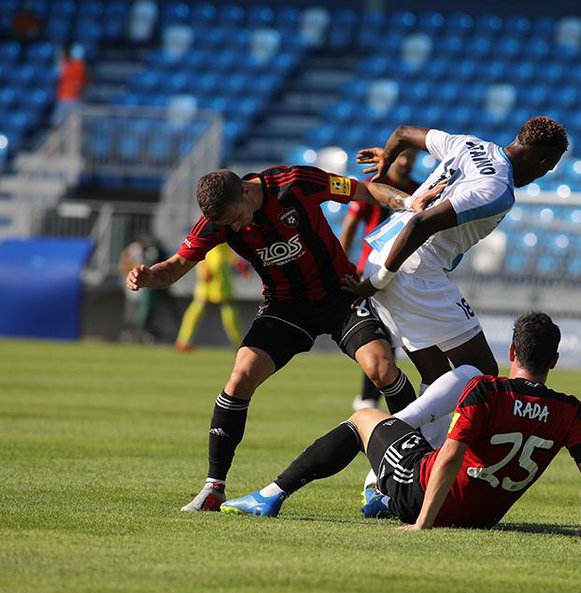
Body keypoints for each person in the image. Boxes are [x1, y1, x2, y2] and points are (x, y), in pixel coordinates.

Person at [126, 165, 443, 512]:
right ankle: (213, 488)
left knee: (382, 369)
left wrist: (409, 202)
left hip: (341, 297)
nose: (236, 228)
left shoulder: (294, 183)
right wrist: (147, 276)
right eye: (229, 224)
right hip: (286, 306)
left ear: (246, 192)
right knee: (241, 375)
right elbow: (174, 267)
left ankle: (412, 470)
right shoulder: (219, 220)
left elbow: (363, 190)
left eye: (237, 218)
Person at [221, 312, 581, 537]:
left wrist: (423, 522)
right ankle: (381, 491)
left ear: (511, 352)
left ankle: (270, 495)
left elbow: (451, 456)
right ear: (554, 360)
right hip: (484, 515)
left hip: (423, 497)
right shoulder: (572, 411)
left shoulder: (487, 391)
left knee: (364, 419)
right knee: (415, 433)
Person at [342, 117, 569, 390]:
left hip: (383, 255)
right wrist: (377, 281)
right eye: (548, 167)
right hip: (413, 267)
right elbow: (421, 223)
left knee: (436, 377)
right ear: (543, 162)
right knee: (481, 375)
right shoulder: (497, 189)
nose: (543, 174)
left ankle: (415, 432)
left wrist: (387, 158)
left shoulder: (469, 143)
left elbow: (402, 133)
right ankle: (404, 427)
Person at [339, 147, 420, 410]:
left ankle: (375, 399)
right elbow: (350, 226)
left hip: (403, 272)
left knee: (394, 336)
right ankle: (369, 399)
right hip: (371, 270)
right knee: (380, 334)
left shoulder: (417, 190)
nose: (406, 161)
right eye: (402, 156)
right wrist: (341, 263)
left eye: (411, 157)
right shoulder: (375, 187)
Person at [174, 243, 245, 351]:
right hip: (215, 264)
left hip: (215, 262)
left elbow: (223, 246)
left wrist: (235, 261)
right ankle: (239, 344)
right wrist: (204, 266)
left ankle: (183, 340)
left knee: (201, 304)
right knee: (223, 303)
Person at [118, 233, 168, 343]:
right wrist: (134, 269)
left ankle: (142, 332)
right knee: (131, 310)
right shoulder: (133, 250)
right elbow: (124, 265)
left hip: (143, 285)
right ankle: (130, 333)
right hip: (131, 282)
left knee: (143, 310)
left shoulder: (149, 251)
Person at [53, 44, 88, 126]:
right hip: (69, 96)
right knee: (69, 121)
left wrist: (59, 59)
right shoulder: (78, 65)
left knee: (64, 121)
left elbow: (57, 74)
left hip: (70, 97)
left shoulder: (72, 65)